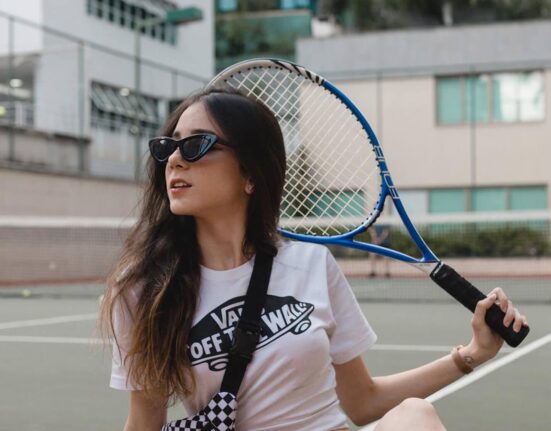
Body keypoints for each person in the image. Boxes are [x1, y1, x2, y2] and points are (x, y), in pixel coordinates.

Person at [98, 87, 528, 431]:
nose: (174, 160)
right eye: (168, 147)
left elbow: (362, 402)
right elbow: (144, 424)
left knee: (414, 415)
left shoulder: (311, 264)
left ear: (250, 173)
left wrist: (471, 354)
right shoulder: (144, 289)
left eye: (196, 145)